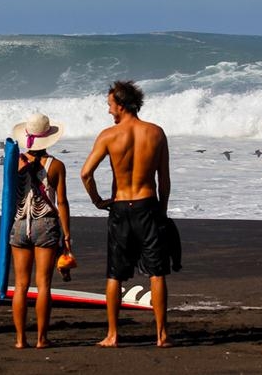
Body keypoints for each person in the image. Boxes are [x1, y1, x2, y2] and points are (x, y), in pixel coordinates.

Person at [80, 81, 172, 348]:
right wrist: (162, 211)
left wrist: (97, 200)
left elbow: (86, 173)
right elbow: (164, 179)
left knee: (114, 274)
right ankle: (162, 335)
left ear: (120, 105)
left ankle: (112, 335)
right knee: (156, 272)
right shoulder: (156, 133)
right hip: (148, 205)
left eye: (110, 105)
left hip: (120, 207)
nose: (109, 111)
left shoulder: (109, 135)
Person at [9, 113, 72, 349]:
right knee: (43, 284)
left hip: (19, 222)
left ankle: (19, 339)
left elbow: (8, 196)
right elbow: (62, 202)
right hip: (45, 222)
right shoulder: (56, 166)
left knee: (20, 285)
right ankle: (41, 339)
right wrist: (67, 235)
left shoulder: (15, 162)